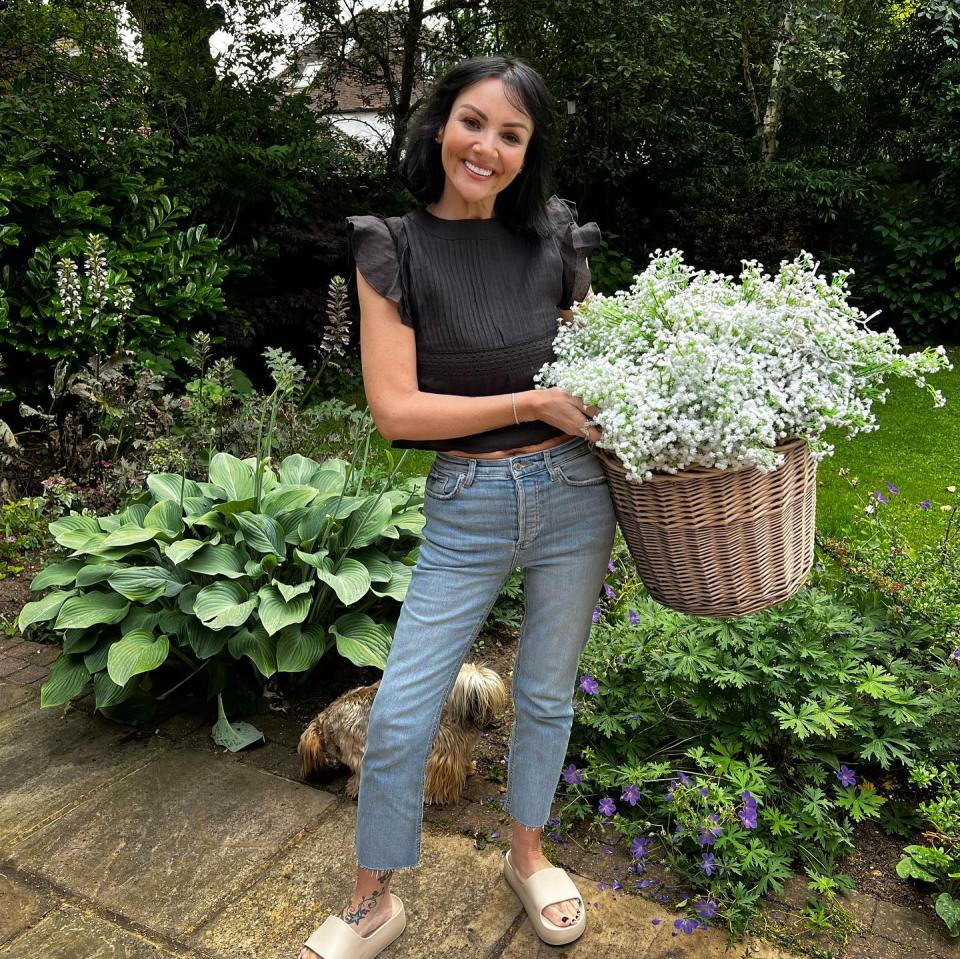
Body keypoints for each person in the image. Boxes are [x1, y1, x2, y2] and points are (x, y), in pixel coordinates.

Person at [298, 54, 616, 959]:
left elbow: (600, 362)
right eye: (474, 122)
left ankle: (528, 855)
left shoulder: (554, 237)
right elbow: (398, 412)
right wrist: (531, 403)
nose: (488, 146)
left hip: (575, 494)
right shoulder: (392, 249)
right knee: (404, 705)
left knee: (548, 695)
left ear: (528, 151)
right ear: (441, 125)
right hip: (470, 502)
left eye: (512, 134)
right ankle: (375, 902)